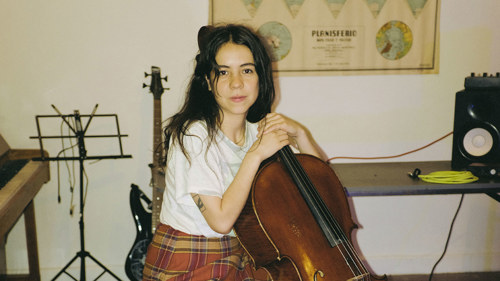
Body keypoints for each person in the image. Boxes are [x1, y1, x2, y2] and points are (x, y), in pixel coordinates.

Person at [142, 24, 326, 281]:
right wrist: (254, 156)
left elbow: (320, 187)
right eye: (223, 72)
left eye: (247, 71)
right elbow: (220, 221)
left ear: (261, 77)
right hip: (190, 259)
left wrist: (301, 134)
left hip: (240, 253)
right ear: (207, 81)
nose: (236, 83)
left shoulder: (255, 131)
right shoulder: (195, 134)